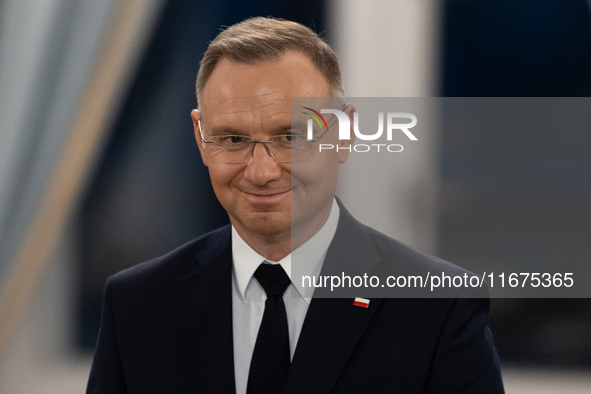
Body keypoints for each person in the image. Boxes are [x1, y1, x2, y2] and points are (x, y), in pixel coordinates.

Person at [87, 17, 504, 394]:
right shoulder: (136, 305)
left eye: (290, 137)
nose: (262, 171)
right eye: (234, 139)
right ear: (200, 138)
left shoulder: (439, 306)